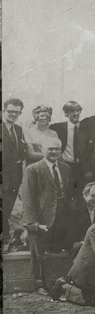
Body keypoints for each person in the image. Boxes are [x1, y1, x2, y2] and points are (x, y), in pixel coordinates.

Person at [21, 137, 72, 295]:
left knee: (64, 249)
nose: (54, 152)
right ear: (43, 150)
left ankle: (63, 281)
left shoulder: (65, 168)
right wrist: (33, 223)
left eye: (57, 149)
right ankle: (39, 284)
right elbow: (28, 198)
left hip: (61, 218)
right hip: (41, 219)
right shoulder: (33, 169)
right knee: (38, 253)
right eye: (50, 149)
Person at [2, 98, 26, 247]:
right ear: (3, 110)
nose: (13, 115)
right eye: (10, 111)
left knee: (8, 208)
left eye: (16, 112)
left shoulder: (18, 129)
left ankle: (5, 242)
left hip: (14, 177)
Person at [50, 101, 86, 195]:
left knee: (79, 195)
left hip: (81, 167)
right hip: (65, 165)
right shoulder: (57, 127)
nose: (76, 113)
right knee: (65, 193)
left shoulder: (86, 128)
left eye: (78, 110)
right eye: (72, 111)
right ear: (66, 113)